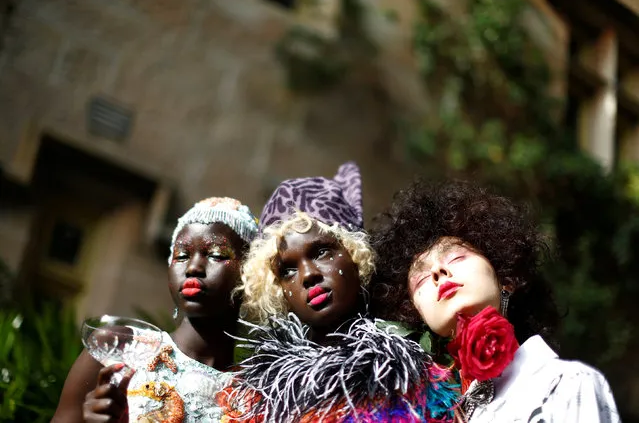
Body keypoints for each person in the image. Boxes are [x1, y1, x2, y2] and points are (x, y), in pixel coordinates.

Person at [369, 179, 620, 422]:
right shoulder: (435, 415)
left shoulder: (566, 382)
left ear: (506, 277)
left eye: (456, 258)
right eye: (421, 278)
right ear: (415, 313)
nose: (437, 273)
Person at [227, 162, 459, 423]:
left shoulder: (414, 364)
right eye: (288, 270)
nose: (308, 275)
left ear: (355, 254)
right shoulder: (262, 397)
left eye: (321, 252)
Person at [52, 197, 259, 423]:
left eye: (217, 255)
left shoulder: (261, 397)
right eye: (181, 256)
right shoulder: (117, 350)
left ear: (253, 274)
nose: (193, 267)